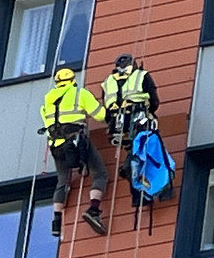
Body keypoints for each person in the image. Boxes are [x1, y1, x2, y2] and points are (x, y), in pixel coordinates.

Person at [39, 66, 109, 236]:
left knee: (63, 180)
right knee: (100, 174)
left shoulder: (47, 100)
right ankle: (93, 209)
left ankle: (57, 220)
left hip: (56, 146)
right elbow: (100, 115)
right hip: (77, 142)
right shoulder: (80, 93)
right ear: (73, 80)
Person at [101, 53, 160, 146]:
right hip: (137, 117)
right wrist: (150, 111)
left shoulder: (108, 81)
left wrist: (110, 120)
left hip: (116, 122)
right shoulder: (141, 75)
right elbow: (154, 101)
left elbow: (105, 104)